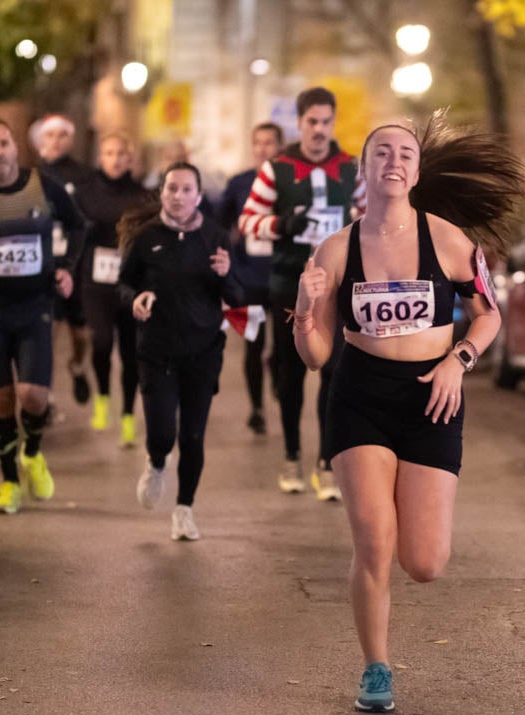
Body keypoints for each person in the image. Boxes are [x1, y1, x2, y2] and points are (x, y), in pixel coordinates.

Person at [293, 114, 525, 712]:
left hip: (433, 397)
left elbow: (489, 314)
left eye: (404, 153)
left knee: (423, 562)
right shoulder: (337, 248)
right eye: (381, 153)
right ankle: (376, 668)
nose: (393, 161)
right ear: (364, 170)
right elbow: (316, 355)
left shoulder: (451, 241)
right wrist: (305, 306)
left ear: (416, 171)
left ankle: (388, 630)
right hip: (360, 398)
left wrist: (459, 360)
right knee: (373, 542)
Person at [0, 119, 87, 514]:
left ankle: (34, 452)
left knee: (33, 394)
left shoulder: (42, 186)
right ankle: (9, 482)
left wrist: (65, 267)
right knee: (0, 398)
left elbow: (77, 225)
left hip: (35, 306)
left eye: (3, 143)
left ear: (15, 148)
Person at [239, 86, 365, 501]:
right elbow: (248, 221)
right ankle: (292, 453)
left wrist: (355, 225)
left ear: (333, 122)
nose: (318, 130)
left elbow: (372, 218)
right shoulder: (277, 168)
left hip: (339, 286)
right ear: (299, 122)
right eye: (311, 122)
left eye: (326, 122)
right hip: (289, 285)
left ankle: (326, 462)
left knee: (335, 373)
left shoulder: (351, 169)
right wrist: (281, 226)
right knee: (291, 376)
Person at [117, 162, 244, 541]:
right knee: (162, 432)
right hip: (156, 350)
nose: (178, 196)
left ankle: (184, 509)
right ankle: (157, 462)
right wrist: (135, 298)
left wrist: (226, 274)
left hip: (203, 351)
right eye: (172, 188)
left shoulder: (215, 236)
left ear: (199, 196)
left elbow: (235, 298)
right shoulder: (145, 237)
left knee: (192, 436)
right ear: (163, 193)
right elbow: (123, 284)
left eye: (187, 189)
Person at [78, 132, 154, 446]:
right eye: (109, 153)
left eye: (121, 153)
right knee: (100, 341)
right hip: (95, 281)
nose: (115, 159)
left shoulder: (143, 196)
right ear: (100, 157)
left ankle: (126, 414)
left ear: (130, 158)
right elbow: (73, 234)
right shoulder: (85, 193)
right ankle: (103, 396)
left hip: (130, 281)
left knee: (131, 352)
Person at [218, 121, 284, 435]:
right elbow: (220, 225)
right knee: (252, 346)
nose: (263, 149)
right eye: (258, 143)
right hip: (249, 281)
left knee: (287, 348)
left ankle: (279, 374)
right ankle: (256, 408)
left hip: (285, 279)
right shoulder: (239, 183)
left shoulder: (291, 182)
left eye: (269, 143)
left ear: (280, 147)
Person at [33, 113, 97, 406]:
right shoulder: (31, 177)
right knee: (46, 333)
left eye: (61, 135)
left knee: (81, 334)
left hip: (77, 265)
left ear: (70, 139)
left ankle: (78, 365)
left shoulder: (85, 176)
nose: (55, 141)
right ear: (40, 141)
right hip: (45, 266)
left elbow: (92, 216)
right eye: (50, 135)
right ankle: (47, 397)